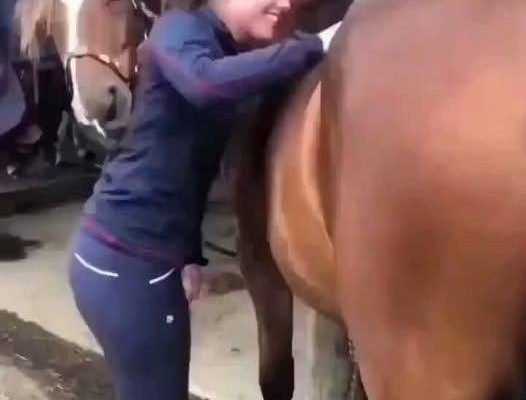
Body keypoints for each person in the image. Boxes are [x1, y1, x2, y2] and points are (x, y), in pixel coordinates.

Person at [68, 0, 341, 399]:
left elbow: (188, 169)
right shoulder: (179, 29)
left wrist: (189, 255)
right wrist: (317, 44)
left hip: (144, 257)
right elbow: (205, 83)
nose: (285, 3)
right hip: (126, 262)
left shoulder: (225, 46)